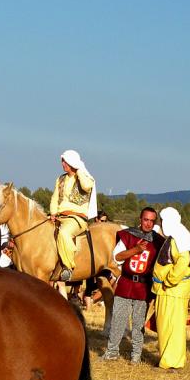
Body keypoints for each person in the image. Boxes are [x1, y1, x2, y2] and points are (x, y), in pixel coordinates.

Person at [102, 207, 162, 363]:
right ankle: (112, 352)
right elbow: (117, 257)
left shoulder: (158, 241)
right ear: (140, 219)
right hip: (126, 283)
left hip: (143, 287)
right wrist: (135, 249)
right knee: (118, 320)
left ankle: (136, 355)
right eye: (146, 220)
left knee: (138, 324)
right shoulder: (128, 235)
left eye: (151, 221)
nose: (148, 223)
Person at [151, 207, 190, 370]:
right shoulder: (180, 235)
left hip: (172, 290)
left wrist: (169, 281)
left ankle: (170, 362)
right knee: (171, 325)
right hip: (171, 290)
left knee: (170, 326)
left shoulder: (179, 238)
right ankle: (171, 359)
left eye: (162, 220)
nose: (160, 223)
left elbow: (183, 261)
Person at [48, 149, 97, 281]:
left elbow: (86, 187)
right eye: (62, 161)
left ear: (72, 162)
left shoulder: (85, 178)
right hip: (59, 215)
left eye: (65, 161)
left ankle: (67, 268)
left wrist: (79, 170)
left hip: (77, 218)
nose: (63, 164)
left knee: (64, 233)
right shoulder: (60, 178)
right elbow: (54, 198)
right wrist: (53, 213)